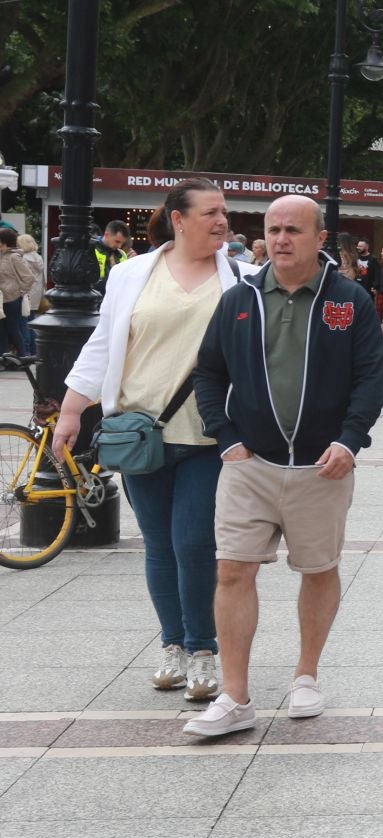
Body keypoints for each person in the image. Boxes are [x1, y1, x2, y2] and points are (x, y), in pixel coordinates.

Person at [182, 195, 383, 736]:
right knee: (232, 569)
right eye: (273, 229)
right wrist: (225, 438)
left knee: (317, 570)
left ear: (322, 239)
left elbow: (370, 378)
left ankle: (305, 675)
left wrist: (349, 441)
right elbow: (208, 372)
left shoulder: (349, 300)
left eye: (293, 229)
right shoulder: (240, 298)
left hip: (323, 466)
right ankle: (235, 696)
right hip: (250, 462)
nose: (280, 239)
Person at [53, 178, 251, 706]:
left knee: (194, 543)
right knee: (159, 546)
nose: (222, 222)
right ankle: (173, 646)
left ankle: (204, 650)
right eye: (210, 212)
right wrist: (72, 408)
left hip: (209, 437)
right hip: (141, 435)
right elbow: (103, 343)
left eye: (224, 212)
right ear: (177, 218)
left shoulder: (242, 278)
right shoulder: (129, 275)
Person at [0, 229, 36, 357]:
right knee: (2, 330)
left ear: (3, 242)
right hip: (2, 299)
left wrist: (20, 291)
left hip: (12, 299)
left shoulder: (13, 257)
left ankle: (22, 355)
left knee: (13, 329)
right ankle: (4, 358)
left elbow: (29, 277)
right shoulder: (3, 256)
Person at [19, 233, 45, 347]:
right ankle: (34, 349)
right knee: (32, 321)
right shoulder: (38, 257)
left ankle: (26, 349)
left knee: (24, 323)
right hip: (36, 293)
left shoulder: (23, 258)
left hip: (26, 294)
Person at [93, 219, 128, 293]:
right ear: (106, 235)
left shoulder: (122, 254)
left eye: (122, 243)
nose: (119, 246)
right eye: (117, 241)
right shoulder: (91, 250)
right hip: (96, 299)